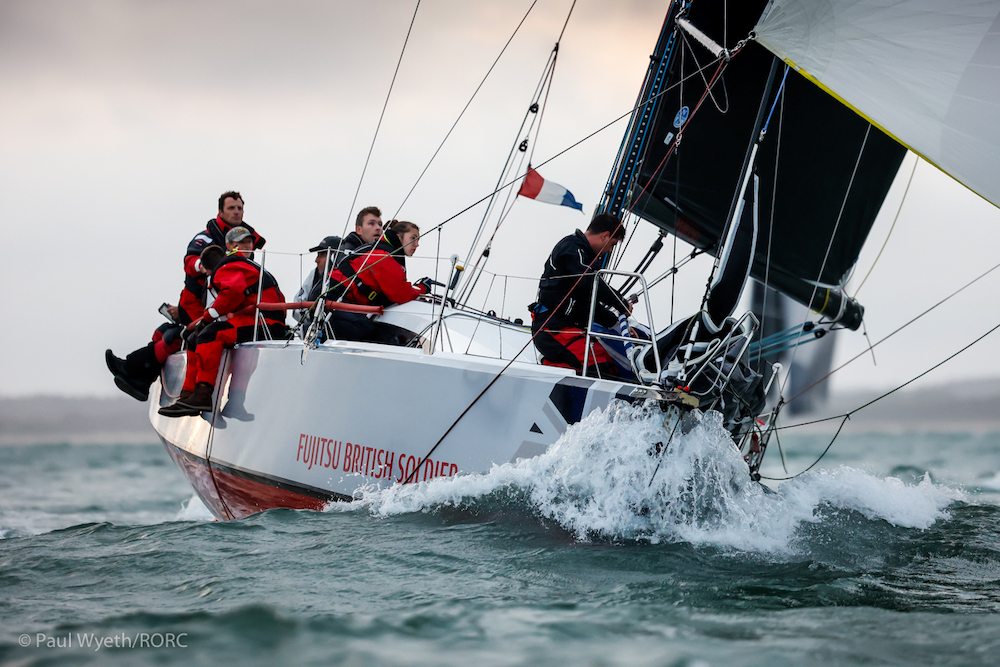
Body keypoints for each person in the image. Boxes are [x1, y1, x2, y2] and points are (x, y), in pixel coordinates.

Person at [105, 191, 264, 401]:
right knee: (167, 333)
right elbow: (191, 262)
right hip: (198, 302)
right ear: (220, 212)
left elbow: (239, 283)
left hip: (227, 306)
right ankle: (138, 375)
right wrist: (205, 265)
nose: (236, 212)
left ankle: (137, 374)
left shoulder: (247, 239)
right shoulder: (205, 239)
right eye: (231, 208)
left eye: (239, 208)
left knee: (174, 335)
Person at [159, 227, 287, 417]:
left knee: (211, 334)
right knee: (198, 337)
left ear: (209, 270)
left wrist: (208, 317)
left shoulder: (227, 267)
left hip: (265, 323)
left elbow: (232, 293)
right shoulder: (241, 264)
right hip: (261, 320)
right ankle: (188, 395)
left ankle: (202, 395)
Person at [530, 213, 632, 377]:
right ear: (605, 236)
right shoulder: (572, 248)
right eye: (612, 244)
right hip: (552, 328)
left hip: (567, 328)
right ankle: (548, 367)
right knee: (599, 367)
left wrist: (618, 326)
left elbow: (587, 303)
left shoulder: (584, 258)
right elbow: (589, 282)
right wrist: (621, 303)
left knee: (611, 368)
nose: (609, 250)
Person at [325, 220, 434, 341]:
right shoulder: (383, 257)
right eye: (413, 238)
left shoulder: (386, 255)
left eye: (418, 240)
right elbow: (401, 294)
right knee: (368, 332)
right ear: (399, 237)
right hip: (334, 297)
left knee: (378, 333)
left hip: (342, 300)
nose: (417, 244)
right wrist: (422, 288)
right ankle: (318, 333)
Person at [293, 235, 343, 322]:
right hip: (314, 329)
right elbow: (297, 305)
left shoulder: (347, 276)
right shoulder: (314, 274)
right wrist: (313, 320)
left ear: (334, 256)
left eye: (321, 255)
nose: (316, 260)